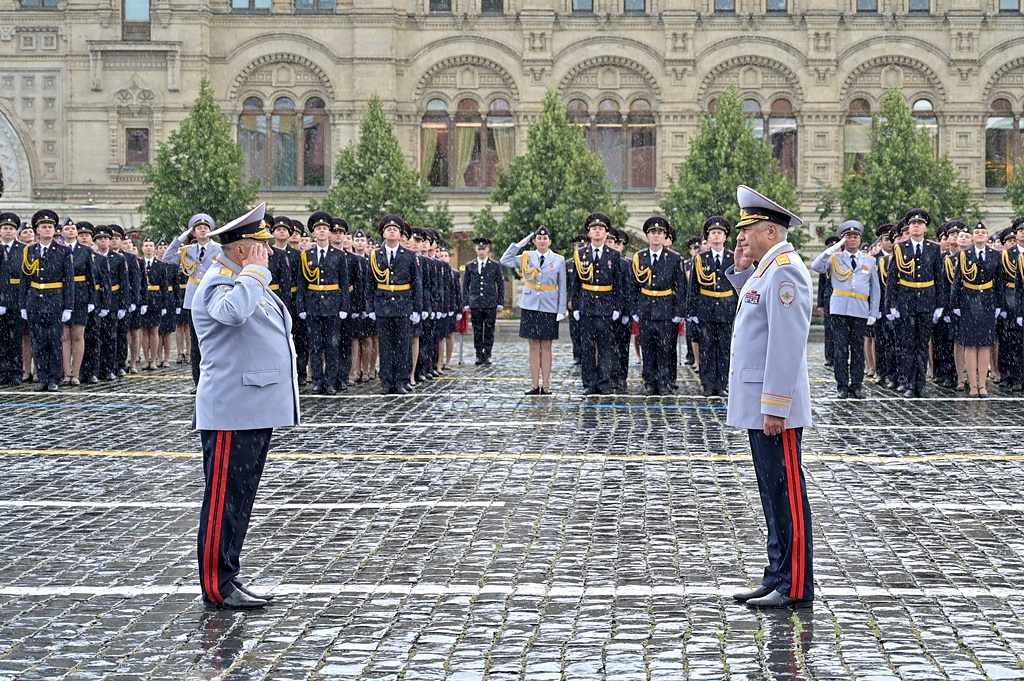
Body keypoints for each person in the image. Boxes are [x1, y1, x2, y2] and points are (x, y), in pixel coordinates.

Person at [725, 185, 813, 609]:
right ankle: (777, 574)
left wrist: (776, 406)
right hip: (761, 405)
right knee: (772, 495)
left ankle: (794, 585)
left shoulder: (786, 271)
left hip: (775, 408)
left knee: (787, 496)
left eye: (749, 230)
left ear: (771, 232)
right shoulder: (767, 270)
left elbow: (785, 344)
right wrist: (743, 269)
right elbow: (755, 311)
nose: (742, 237)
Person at [811, 220, 880, 398]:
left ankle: (856, 385)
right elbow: (816, 266)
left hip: (860, 309)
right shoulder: (835, 258)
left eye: (855, 236)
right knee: (840, 349)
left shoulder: (869, 261)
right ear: (843, 240)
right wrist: (831, 250)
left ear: (860, 239)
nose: (852, 239)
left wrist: (873, 312)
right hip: (839, 310)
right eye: (848, 236)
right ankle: (842, 385)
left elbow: (875, 289)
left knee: (857, 349)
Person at [884, 208, 945, 398]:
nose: (916, 226)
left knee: (922, 344)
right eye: (913, 224)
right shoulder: (900, 248)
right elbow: (893, 278)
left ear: (925, 228)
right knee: (908, 344)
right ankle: (909, 383)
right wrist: (891, 304)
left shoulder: (933, 248)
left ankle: (921, 384)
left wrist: (940, 304)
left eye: (920, 224)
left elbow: (939, 277)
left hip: (927, 300)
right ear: (909, 228)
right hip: (906, 300)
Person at [500, 225, 567, 394]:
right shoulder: (526, 256)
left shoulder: (558, 260)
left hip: (549, 306)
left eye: (545, 238)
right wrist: (518, 246)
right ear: (535, 241)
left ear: (550, 241)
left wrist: (561, 309)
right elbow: (505, 260)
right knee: (533, 345)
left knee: (547, 345)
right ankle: (534, 385)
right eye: (539, 238)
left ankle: (546, 385)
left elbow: (563, 286)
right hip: (530, 305)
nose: (542, 241)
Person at [163, 213, 222, 391]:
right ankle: (199, 383)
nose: (202, 230)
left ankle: (215, 382)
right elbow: (167, 258)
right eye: (198, 228)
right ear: (193, 233)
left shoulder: (219, 249)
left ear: (211, 231)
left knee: (214, 343)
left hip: (212, 296)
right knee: (196, 344)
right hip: (193, 300)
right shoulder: (187, 250)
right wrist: (180, 238)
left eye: (205, 227)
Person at [19, 209, 74, 392]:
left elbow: (69, 280)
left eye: (50, 226)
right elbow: (25, 280)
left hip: (55, 300)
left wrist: (68, 306)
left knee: (54, 342)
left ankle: (54, 378)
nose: (47, 229)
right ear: (37, 230)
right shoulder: (29, 250)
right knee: (38, 341)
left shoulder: (63, 251)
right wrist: (23, 305)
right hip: (35, 301)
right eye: (44, 226)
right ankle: (42, 377)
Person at [630, 216, 685, 396]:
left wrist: (678, 310)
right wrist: (634, 309)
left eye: (660, 232)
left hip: (665, 308)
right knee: (647, 347)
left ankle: (663, 381)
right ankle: (649, 381)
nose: (656, 235)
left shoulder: (674, 258)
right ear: (647, 235)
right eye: (652, 232)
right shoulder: (639, 257)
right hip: (646, 308)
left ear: (664, 236)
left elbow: (680, 286)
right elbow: (633, 286)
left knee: (664, 348)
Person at [367, 215, 422, 394]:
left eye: (395, 230)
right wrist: (370, 307)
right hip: (382, 304)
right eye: (388, 229)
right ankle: (386, 381)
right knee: (385, 346)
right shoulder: (375, 255)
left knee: (402, 346)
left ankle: (401, 381)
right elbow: (369, 283)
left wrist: (417, 308)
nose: (392, 232)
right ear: (383, 234)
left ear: (400, 234)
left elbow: (416, 283)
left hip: (403, 304)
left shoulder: (409, 255)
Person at [297, 211, 350, 395]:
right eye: (318, 228)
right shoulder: (306, 255)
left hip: (333, 304)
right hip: (313, 304)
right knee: (315, 346)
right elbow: (302, 283)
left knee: (332, 345)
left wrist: (344, 306)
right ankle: (318, 381)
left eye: (325, 228)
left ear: (329, 233)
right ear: (313, 233)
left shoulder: (339, 255)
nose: (321, 231)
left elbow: (344, 283)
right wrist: (301, 306)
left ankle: (330, 381)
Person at [951, 221, 1002, 397]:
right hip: (969, 301)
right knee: (970, 344)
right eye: (977, 232)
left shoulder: (995, 255)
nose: (980, 234)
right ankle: (973, 384)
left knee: (985, 344)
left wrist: (999, 304)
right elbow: (957, 281)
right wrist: (954, 304)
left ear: (987, 236)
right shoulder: (964, 255)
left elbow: (999, 281)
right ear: (973, 237)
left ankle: (982, 384)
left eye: (983, 232)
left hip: (987, 301)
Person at [688, 216, 738, 397]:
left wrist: (738, 308)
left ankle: (722, 384)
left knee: (724, 348)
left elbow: (738, 286)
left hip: (726, 308)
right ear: (708, 237)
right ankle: (708, 384)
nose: (716, 235)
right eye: (713, 233)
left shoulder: (734, 258)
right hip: (706, 308)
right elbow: (693, 286)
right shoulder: (700, 259)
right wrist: (692, 311)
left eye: (719, 233)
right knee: (707, 347)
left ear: (725, 237)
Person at [462, 237, 504, 365]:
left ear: (488, 250)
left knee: (489, 329)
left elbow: (500, 285)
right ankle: (479, 353)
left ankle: (488, 353)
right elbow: (465, 285)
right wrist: (466, 302)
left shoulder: (495, 265)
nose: (481, 251)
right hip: (476, 302)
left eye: (483, 249)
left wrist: (500, 302)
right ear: (475, 250)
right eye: (479, 249)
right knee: (478, 329)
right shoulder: (470, 265)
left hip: (490, 302)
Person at [0, 212, 26, 385]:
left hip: (17, 298)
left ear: (16, 231)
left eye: (11, 228)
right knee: (1, 338)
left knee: (16, 338)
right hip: (0, 298)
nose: (8, 231)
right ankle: (2, 371)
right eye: (5, 228)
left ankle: (16, 371)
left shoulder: (24, 249)